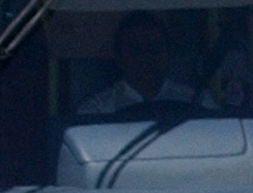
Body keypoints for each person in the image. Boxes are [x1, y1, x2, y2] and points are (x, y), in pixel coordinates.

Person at [76, 11, 215, 115]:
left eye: (153, 47)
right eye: (136, 49)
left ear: (168, 54)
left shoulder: (198, 102)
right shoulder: (97, 110)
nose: (146, 57)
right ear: (118, 57)